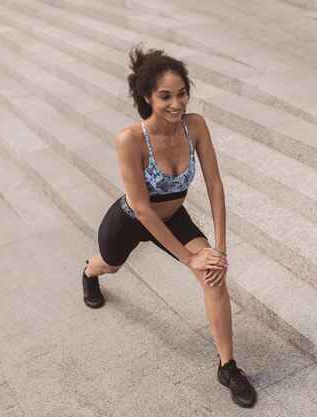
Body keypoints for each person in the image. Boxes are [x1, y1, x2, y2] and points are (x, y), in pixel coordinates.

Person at [80, 44, 257, 408]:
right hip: (131, 220)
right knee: (109, 264)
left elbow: (215, 185)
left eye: (181, 94)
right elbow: (143, 211)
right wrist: (187, 259)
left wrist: (217, 249)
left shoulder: (195, 126)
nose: (176, 104)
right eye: (165, 96)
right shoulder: (130, 139)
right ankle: (88, 272)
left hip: (173, 216)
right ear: (147, 97)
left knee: (213, 274)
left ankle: (228, 366)